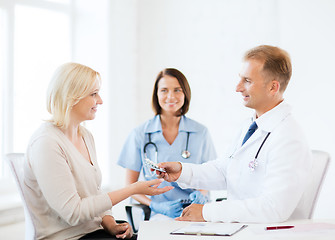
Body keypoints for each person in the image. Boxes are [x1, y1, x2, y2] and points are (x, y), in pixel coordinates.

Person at [157, 45, 312, 223]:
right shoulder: (251, 126)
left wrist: (206, 213)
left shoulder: (288, 137)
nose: (238, 87)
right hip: (243, 229)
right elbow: (226, 171)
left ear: (272, 87)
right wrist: (182, 172)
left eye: (247, 80)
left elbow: (273, 209)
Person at [23, 63, 172, 240]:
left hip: (93, 232)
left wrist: (109, 223)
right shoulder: (46, 142)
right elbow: (74, 213)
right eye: (93, 94)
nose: (100, 100)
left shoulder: (85, 135)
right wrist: (131, 189)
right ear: (71, 97)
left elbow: (95, 194)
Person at [117, 68, 217, 220]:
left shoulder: (201, 133)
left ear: (185, 93)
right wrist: (155, 206)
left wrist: (201, 195)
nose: (171, 96)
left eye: (177, 90)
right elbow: (130, 186)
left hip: (195, 211)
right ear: (156, 95)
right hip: (159, 213)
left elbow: (211, 176)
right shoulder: (140, 134)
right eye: (164, 90)